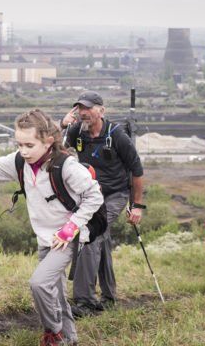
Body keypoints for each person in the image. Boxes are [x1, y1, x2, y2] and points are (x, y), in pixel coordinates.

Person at [0, 109, 103, 346]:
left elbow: (95, 195)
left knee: (39, 283)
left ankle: (53, 333)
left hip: (67, 238)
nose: (23, 150)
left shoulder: (67, 166)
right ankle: (69, 340)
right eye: (19, 144)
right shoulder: (21, 161)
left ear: (48, 141)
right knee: (55, 293)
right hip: (45, 239)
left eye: (29, 145)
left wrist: (71, 228)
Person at [60, 91, 145, 317]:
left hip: (114, 195)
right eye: (80, 108)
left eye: (88, 108)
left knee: (88, 233)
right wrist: (63, 126)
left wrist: (137, 206)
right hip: (89, 195)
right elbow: (58, 152)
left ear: (101, 110)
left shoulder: (116, 135)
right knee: (101, 239)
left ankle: (85, 302)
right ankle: (108, 297)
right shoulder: (77, 130)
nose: (83, 113)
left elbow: (137, 171)